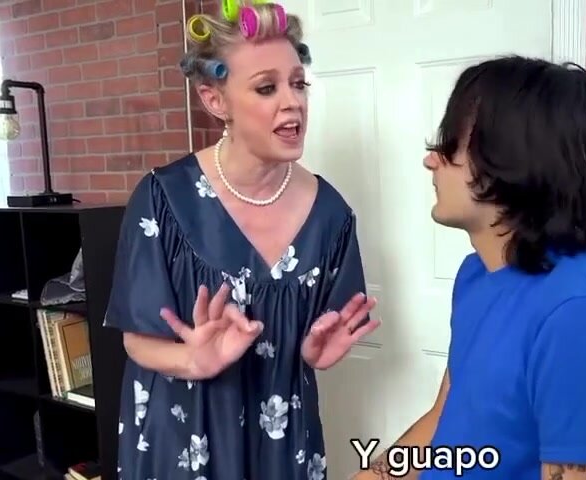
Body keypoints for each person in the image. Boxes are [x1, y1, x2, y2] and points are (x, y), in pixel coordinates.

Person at [352, 57, 586, 480]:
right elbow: (444, 417)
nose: (431, 161)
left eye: (451, 146)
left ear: (514, 160)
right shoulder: (477, 275)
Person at [103, 3, 379, 479]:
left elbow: (324, 333)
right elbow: (137, 338)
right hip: (182, 436)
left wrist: (313, 354)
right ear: (215, 100)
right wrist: (193, 358)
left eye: (298, 84)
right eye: (267, 88)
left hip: (282, 444)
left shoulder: (331, 215)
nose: (293, 102)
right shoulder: (163, 198)